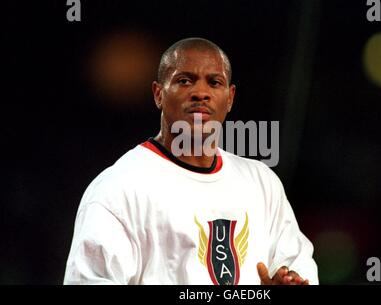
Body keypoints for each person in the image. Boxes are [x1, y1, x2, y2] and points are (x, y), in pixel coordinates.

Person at [63, 37, 318, 285]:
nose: (201, 93)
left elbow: (298, 265)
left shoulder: (261, 182)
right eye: (185, 81)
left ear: (229, 98)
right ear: (158, 94)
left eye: (214, 82)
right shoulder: (118, 188)